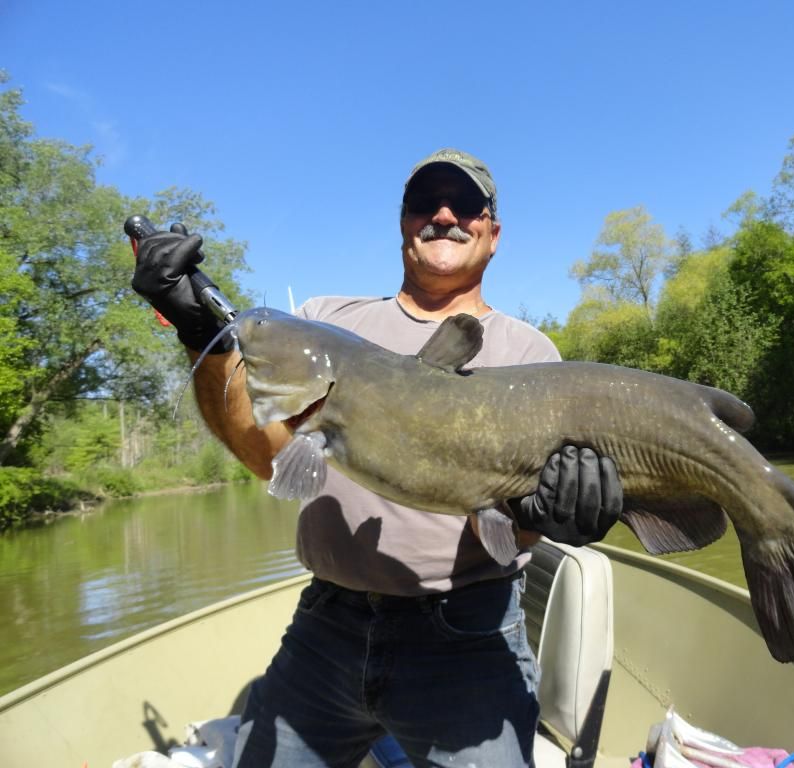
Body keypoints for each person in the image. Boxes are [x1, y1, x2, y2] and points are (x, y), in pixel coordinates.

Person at [132, 148, 623, 768]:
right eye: (426, 202)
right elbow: (267, 456)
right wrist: (198, 335)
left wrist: (558, 516)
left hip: (467, 637)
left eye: (466, 204)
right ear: (402, 221)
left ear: (492, 233)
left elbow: (515, 527)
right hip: (324, 630)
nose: (444, 215)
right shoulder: (321, 320)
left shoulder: (530, 352)